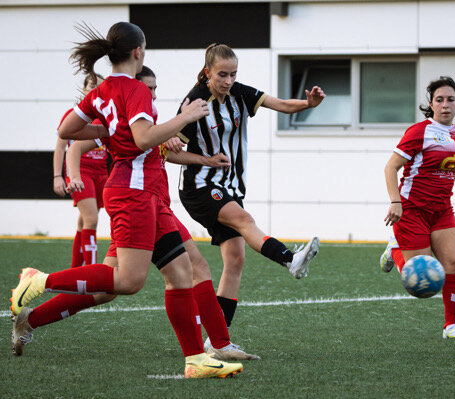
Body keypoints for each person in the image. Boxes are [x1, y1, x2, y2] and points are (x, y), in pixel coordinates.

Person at [10, 22, 243, 378]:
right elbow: (143, 137)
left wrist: (108, 129)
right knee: (127, 282)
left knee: (182, 272)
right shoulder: (132, 89)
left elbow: (65, 130)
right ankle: (40, 279)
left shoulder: (104, 89)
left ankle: (196, 359)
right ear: (139, 51)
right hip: (134, 191)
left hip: (145, 194)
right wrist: (186, 116)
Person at [176, 44, 325, 346]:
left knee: (235, 259)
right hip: (198, 186)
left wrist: (308, 105)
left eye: (233, 74)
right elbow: (166, 151)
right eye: (222, 75)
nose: (228, 81)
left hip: (229, 187)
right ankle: (290, 260)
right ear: (207, 72)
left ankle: (217, 340)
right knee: (244, 219)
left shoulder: (239, 93)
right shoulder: (194, 101)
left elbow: (281, 104)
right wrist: (202, 158)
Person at [380, 76, 455, 340]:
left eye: (451, 100)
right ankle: (395, 248)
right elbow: (391, 167)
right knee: (420, 277)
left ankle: (451, 326)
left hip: (442, 209)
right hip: (411, 209)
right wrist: (395, 201)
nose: (445, 105)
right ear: (431, 104)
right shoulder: (419, 131)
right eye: (439, 100)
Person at [53, 74, 107, 267]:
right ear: (84, 89)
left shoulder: (105, 116)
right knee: (91, 219)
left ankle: (75, 271)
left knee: (83, 222)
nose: (95, 90)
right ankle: (90, 272)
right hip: (81, 171)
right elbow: (60, 147)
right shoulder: (73, 114)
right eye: (92, 86)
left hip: (102, 173)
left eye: (100, 87)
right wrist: (58, 176)